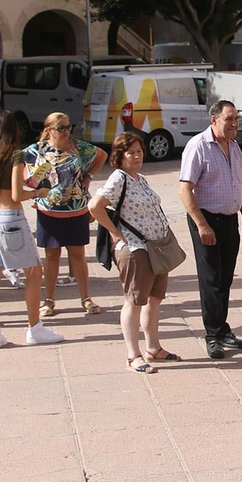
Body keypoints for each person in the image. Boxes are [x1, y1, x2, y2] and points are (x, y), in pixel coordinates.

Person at [90, 130, 180, 373]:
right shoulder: (119, 178)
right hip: (136, 248)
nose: (137, 156)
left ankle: (153, 348)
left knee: (154, 299)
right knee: (134, 300)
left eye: (139, 151)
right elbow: (94, 206)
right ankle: (133, 355)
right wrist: (116, 234)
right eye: (131, 152)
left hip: (155, 247)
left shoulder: (139, 177)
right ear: (120, 156)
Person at [0, 110, 60, 349]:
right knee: (33, 271)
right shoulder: (15, 154)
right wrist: (38, 192)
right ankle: (34, 327)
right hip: (8, 216)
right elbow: (16, 194)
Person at [178, 100, 242, 360]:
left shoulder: (233, 147)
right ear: (214, 120)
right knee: (211, 280)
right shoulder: (198, 146)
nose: (235, 123)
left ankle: (222, 328)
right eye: (229, 119)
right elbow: (184, 189)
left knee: (225, 279)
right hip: (207, 220)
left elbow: (241, 185)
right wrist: (201, 224)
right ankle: (213, 335)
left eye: (237, 118)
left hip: (230, 219)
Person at [26, 112, 107, 319]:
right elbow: (21, 167)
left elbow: (101, 155)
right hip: (48, 210)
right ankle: (49, 300)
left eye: (68, 127)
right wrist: (32, 190)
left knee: (78, 253)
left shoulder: (78, 147)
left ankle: (86, 298)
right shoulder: (36, 150)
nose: (66, 131)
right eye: (61, 128)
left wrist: (88, 175)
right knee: (51, 255)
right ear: (49, 130)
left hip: (76, 208)